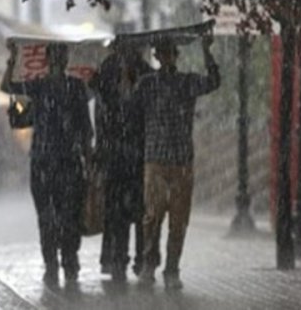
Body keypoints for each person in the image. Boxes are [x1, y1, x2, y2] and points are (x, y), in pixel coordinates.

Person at [1, 43, 93, 288]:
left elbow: (84, 127)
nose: (58, 61)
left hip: (66, 161)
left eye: (61, 56)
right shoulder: (40, 87)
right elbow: (7, 87)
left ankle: (68, 262)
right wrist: (12, 60)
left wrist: (88, 157)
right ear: (50, 60)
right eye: (55, 57)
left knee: (68, 216)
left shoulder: (74, 87)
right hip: (45, 162)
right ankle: (53, 264)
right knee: (48, 217)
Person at [134, 33, 220, 290]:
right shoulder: (147, 83)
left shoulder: (187, 82)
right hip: (155, 159)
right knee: (153, 215)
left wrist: (207, 52)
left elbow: (214, 81)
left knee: (178, 220)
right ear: (157, 56)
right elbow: (129, 108)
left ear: (175, 55)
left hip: (181, 160)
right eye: (162, 53)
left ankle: (172, 268)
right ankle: (149, 263)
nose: (166, 57)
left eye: (170, 53)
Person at [89, 45, 151, 282]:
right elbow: (102, 110)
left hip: (135, 152)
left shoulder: (143, 72)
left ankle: (138, 258)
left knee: (138, 209)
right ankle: (119, 259)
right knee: (118, 211)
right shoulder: (108, 70)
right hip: (117, 153)